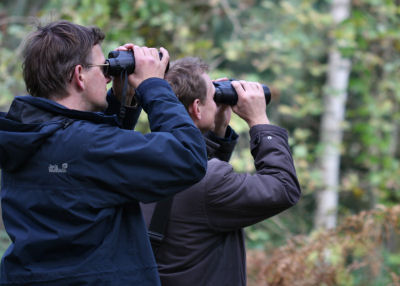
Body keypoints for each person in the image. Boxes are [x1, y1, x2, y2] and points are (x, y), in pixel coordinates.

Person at [0, 21, 208, 285]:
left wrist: (124, 98)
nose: (109, 76)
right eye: (103, 68)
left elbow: (90, 174)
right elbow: (188, 157)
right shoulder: (86, 145)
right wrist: (154, 86)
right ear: (79, 75)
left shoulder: (25, 135)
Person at [141, 57, 302, 286]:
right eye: (213, 96)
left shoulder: (139, 158)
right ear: (197, 108)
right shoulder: (210, 183)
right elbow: (284, 188)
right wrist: (260, 121)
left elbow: (191, 173)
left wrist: (218, 132)